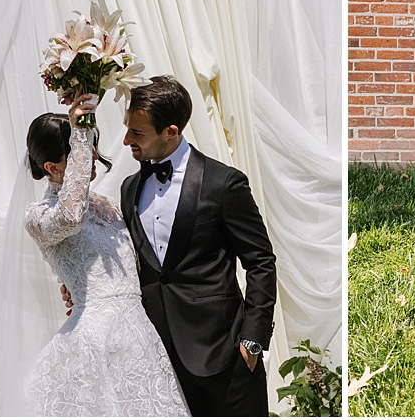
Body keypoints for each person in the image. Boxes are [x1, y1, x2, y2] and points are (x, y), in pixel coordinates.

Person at [61, 76, 277, 416]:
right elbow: (131, 262)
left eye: (137, 133)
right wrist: (81, 283)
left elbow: (261, 261)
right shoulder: (130, 188)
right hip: (154, 360)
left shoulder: (224, 183)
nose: (126, 140)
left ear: (171, 131)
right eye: (127, 128)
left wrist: (253, 338)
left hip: (224, 353)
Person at [22, 100, 190, 416]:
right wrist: (80, 133)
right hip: (94, 345)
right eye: (77, 153)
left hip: (140, 337)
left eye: (91, 147)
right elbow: (71, 217)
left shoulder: (110, 205)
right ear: (52, 168)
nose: (92, 157)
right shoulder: (39, 216)